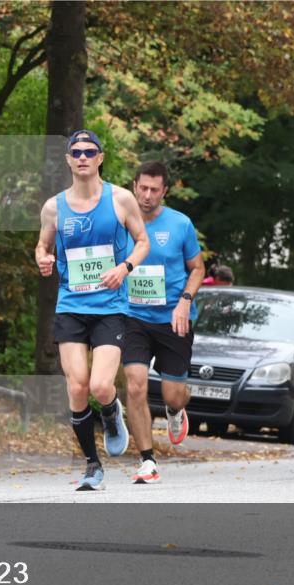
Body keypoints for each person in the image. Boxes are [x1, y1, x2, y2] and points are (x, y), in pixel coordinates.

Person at [35, 130, 149, 491]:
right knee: (78, 386)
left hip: (110, 306)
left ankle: (112, 411)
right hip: (71, 304)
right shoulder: (54, 206)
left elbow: (143, 241)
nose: (82, 157)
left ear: (100, 158)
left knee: (101, 386)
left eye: (90, 151)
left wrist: (125, 267)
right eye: (76, 151)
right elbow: (42, 243)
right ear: (68, 159)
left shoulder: (121, 199)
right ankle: (92, 465)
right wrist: (42, 257)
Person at [122, 162, 205, 484]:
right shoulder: (121, 221)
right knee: (134, 382)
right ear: (134, 186)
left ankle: (175, 411)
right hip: (132, 316)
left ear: (164, 191)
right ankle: (147, 460)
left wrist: (185, 302)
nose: (147, 195)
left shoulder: (180, 224)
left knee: (173, 394)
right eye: (142, 188)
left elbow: (197, 268)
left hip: (173, 317)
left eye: (154, 190)